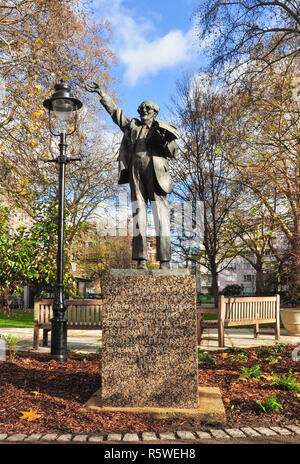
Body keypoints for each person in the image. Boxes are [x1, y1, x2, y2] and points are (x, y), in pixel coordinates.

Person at [85, 81, 179, 269]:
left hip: (156, 172)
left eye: (148, 108)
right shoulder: (132, 127)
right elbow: (116, 114)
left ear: (155, 112)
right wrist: (103, 95)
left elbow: (173, 151)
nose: (143, 110)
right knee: (138, 212)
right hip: (136, 171)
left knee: (161, 214)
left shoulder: (162, 128)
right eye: (141, 108)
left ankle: (165, 261)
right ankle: (141, 260)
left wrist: (162, 141)